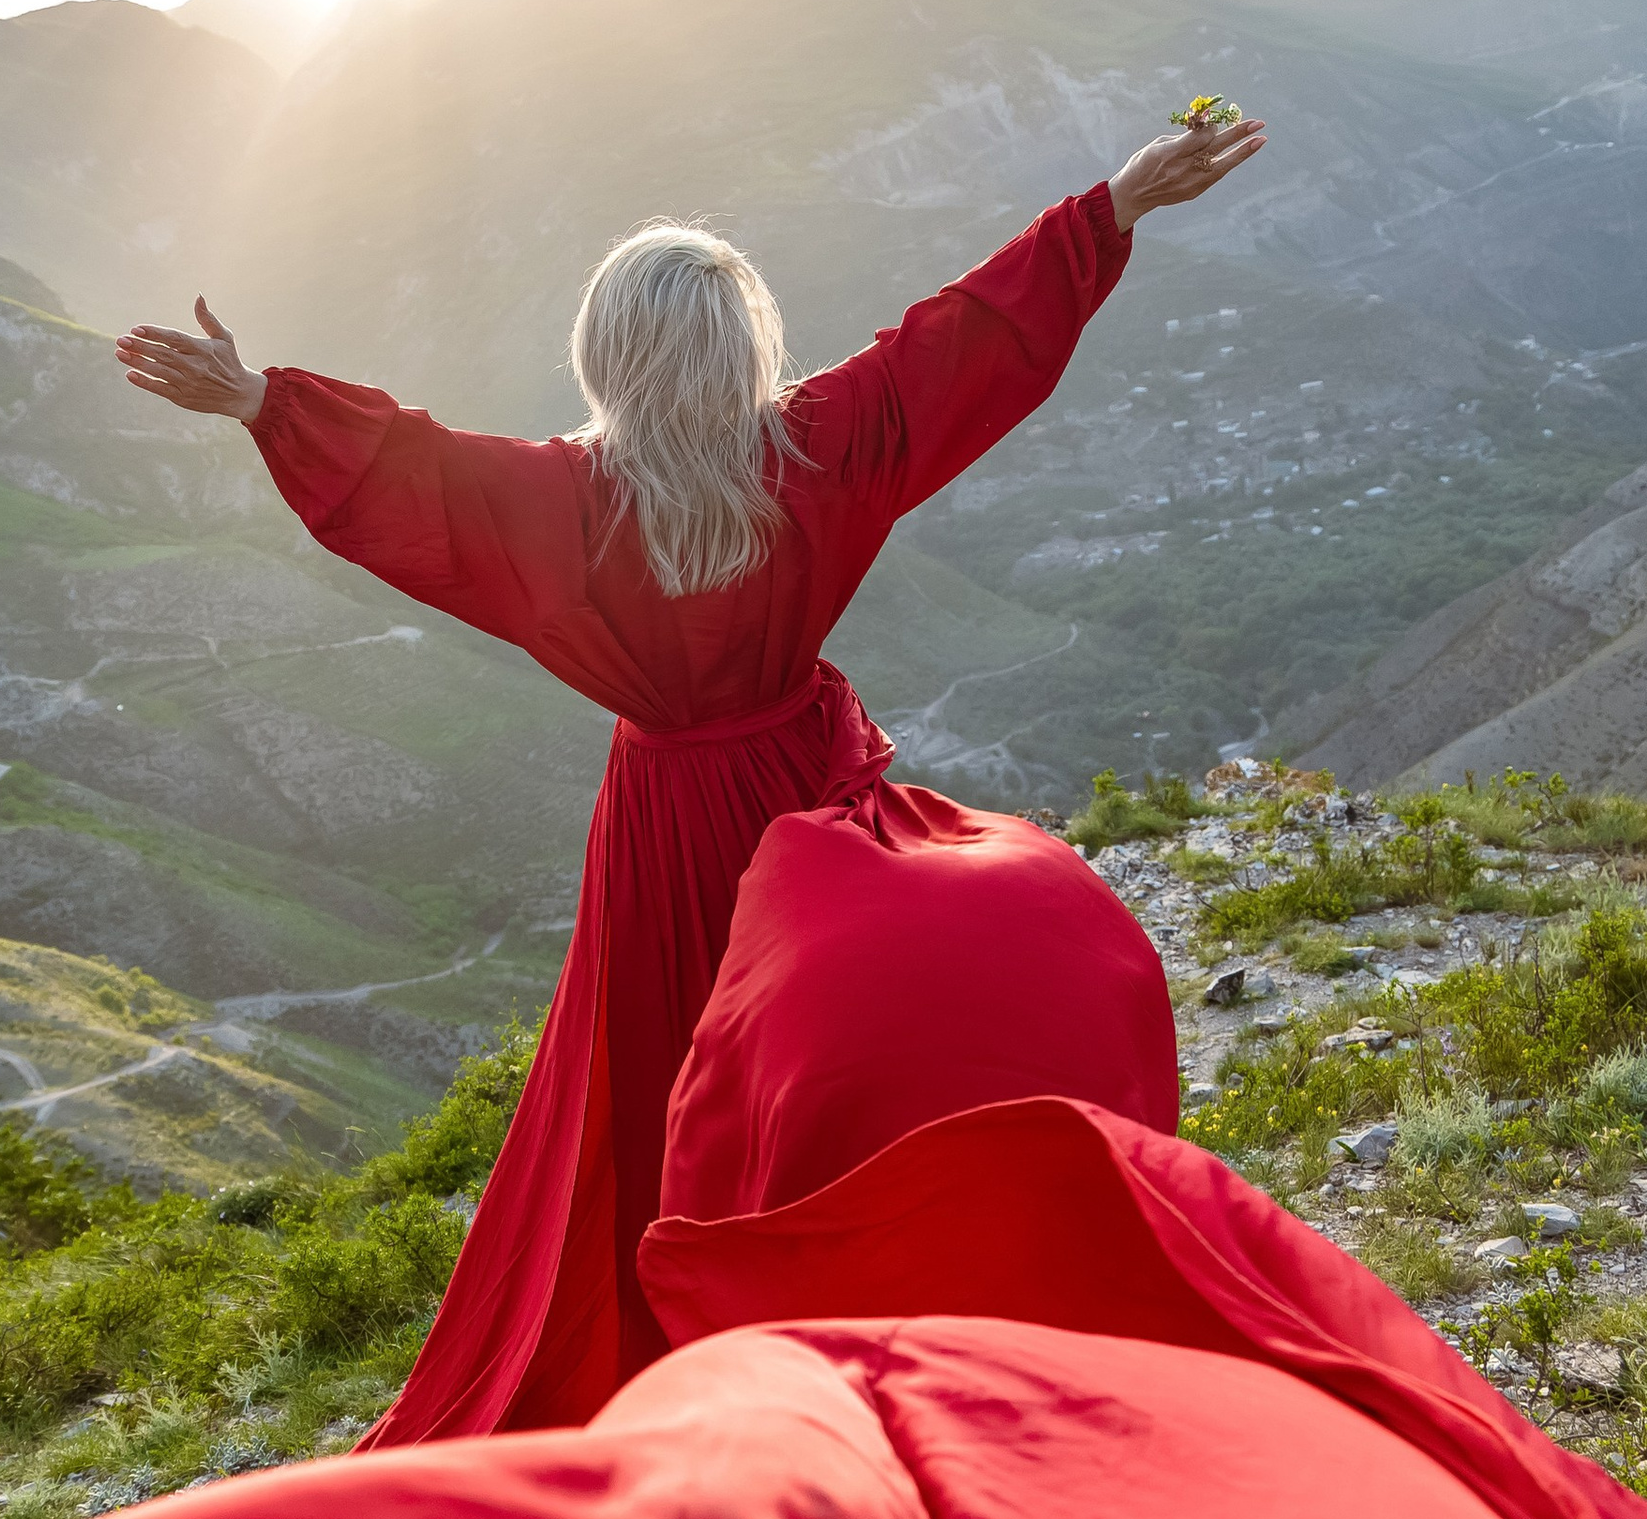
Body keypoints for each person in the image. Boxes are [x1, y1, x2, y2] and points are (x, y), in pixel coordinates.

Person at [117, 105, 1262, 1438]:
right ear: (743, 351)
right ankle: (874, 1286)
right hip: (803, 802)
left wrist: (263, 400)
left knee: (664, 1080)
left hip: (665, 823)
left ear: (604, 357)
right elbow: (961, 345)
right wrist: (1107, 210)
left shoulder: (558, 504)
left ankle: (679, 1345)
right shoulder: (824, 447)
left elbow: (411, 478)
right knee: (834, 1062)